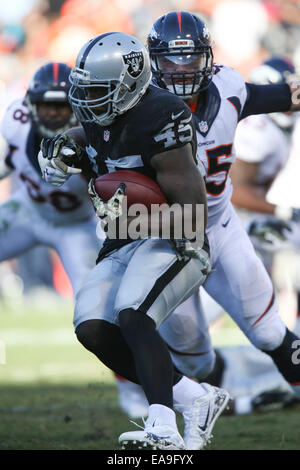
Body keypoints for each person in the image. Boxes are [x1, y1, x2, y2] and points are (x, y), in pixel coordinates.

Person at [38, 32, 230, 451]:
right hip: (127, 236)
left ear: (130, 84)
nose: (89, 101)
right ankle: (195, 398)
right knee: (92, 329)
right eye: (85, 89)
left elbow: (194, 216)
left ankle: (162, 426)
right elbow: (88, 135)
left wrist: (134, 218)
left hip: (180, 241)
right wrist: (63, 146)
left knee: (133, 312)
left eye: (99, 90)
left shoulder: (162, 116)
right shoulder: (101, 109)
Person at [144, 10, 300, 405]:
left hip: (219, 226)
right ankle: (219, 401)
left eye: (190, 58)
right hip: (163, 240)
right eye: (169, 60)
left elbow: (281, 95)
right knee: (195, 360)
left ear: (208, 58)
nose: (181, 70)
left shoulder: (228, 86)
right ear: (152, 61)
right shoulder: (138, 106)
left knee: (268, 331)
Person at [0, 62, 99, 297]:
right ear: (31, 106)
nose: (52, 113)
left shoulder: (92, 135)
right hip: (28, 211)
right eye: (46, 106)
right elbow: (11, 159)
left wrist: (83, 165)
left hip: (76, 226)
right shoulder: (17, 123)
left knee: (94, 308)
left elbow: (104, 189)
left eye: (60, 107)